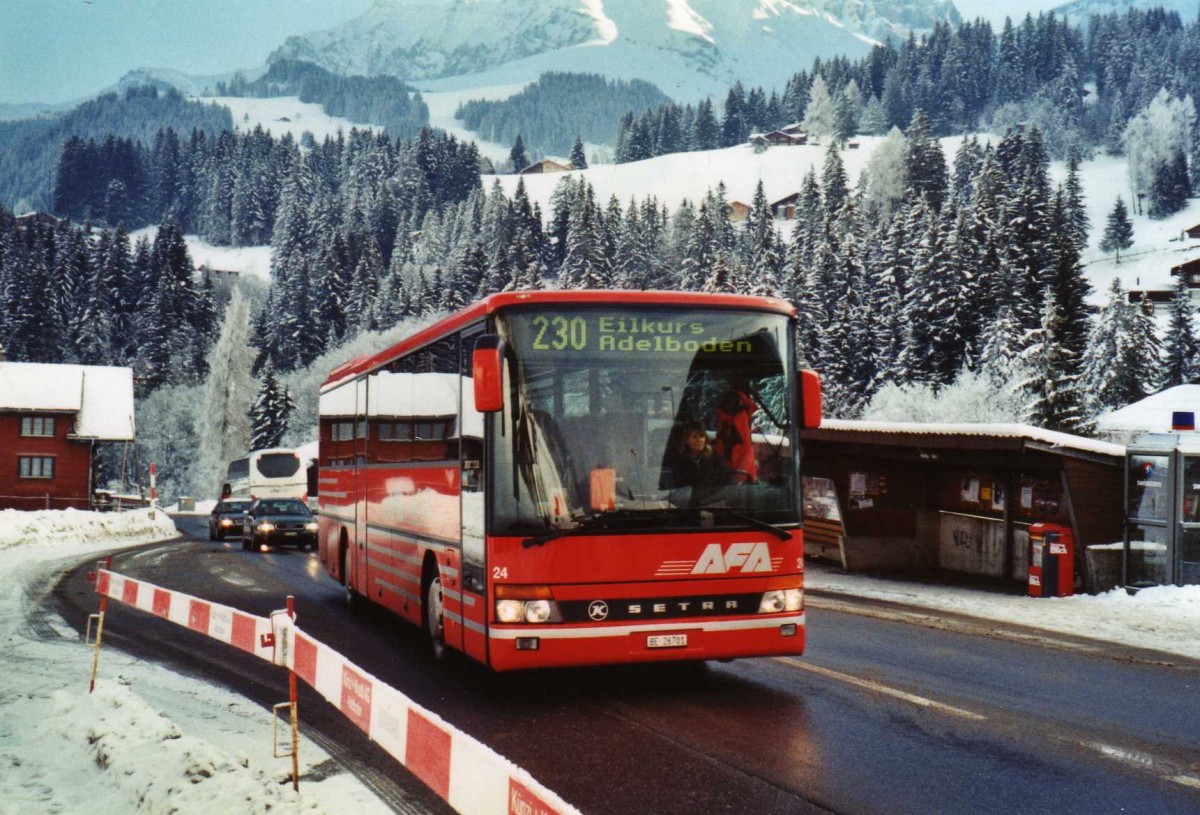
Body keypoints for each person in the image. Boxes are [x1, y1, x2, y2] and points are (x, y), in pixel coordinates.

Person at [670, 421, 730, 501]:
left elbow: (724, 479)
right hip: (688, 503)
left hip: (712, 500)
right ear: (687, 440)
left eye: (702, 436)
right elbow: (680, 487)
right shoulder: (679, 460)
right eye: (694, 437)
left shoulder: (713, 455)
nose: (699, 440)